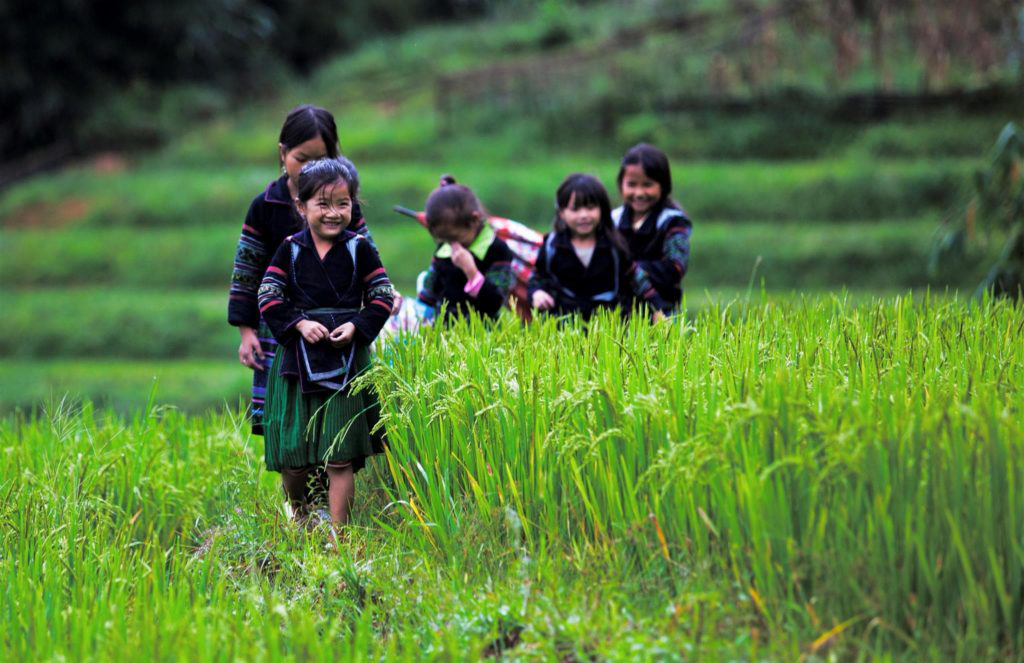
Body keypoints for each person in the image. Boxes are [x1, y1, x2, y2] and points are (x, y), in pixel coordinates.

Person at [257, 158, 393, 526]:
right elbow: (268, 294)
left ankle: (339, 537)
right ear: (301, 207)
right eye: (323, 203)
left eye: (343, 203)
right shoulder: (289, 250)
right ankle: (299, 513)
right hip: (296, 362)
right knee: (293, 456)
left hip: (347, 361)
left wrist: (357, 327)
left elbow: (382, 295)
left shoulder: (359, 248)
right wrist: (299, 324)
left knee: (340, 456)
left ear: (353, 205)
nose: (334, 213)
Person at [228, 104, 375, 437]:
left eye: (321, 158)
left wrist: (380, 289)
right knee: (285, 415)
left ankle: (330, 474)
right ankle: (294, 484)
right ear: (282, 154)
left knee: (334, 410)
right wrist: (246, 331)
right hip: (281, 326)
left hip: (334, 321)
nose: (310, 168)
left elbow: (366, 250)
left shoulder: (342, 203)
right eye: (302, 158)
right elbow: (247, 271)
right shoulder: (265, 205)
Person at [529, 173, 670, 320]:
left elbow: (638, 281)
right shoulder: (552, 246)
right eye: (575, 209)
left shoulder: (615, 246)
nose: (583, 215)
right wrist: (537, 293)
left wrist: (658, 309)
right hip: (564, 326)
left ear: (602, 210)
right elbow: (537, 277)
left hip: (609, 328)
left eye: (590, 208)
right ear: (562, 213)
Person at [415, 180, 516, 321]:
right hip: (443, 330)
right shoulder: (445, 247)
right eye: (444, 240)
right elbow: (428, 296)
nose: (451, 245)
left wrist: (471, 272)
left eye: (454, 238)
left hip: (481, 332)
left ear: (474, 220)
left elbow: (495, 302)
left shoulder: (497, 250)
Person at [613, 144, 692, 312]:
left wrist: (629, 269)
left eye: (647, 184)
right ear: (621, 185)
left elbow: (674, 269)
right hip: (618, 312)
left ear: (663, 186)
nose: (639, 193)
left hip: (662, 311)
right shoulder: (613, 220)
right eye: (632, 184)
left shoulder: (673, 222)